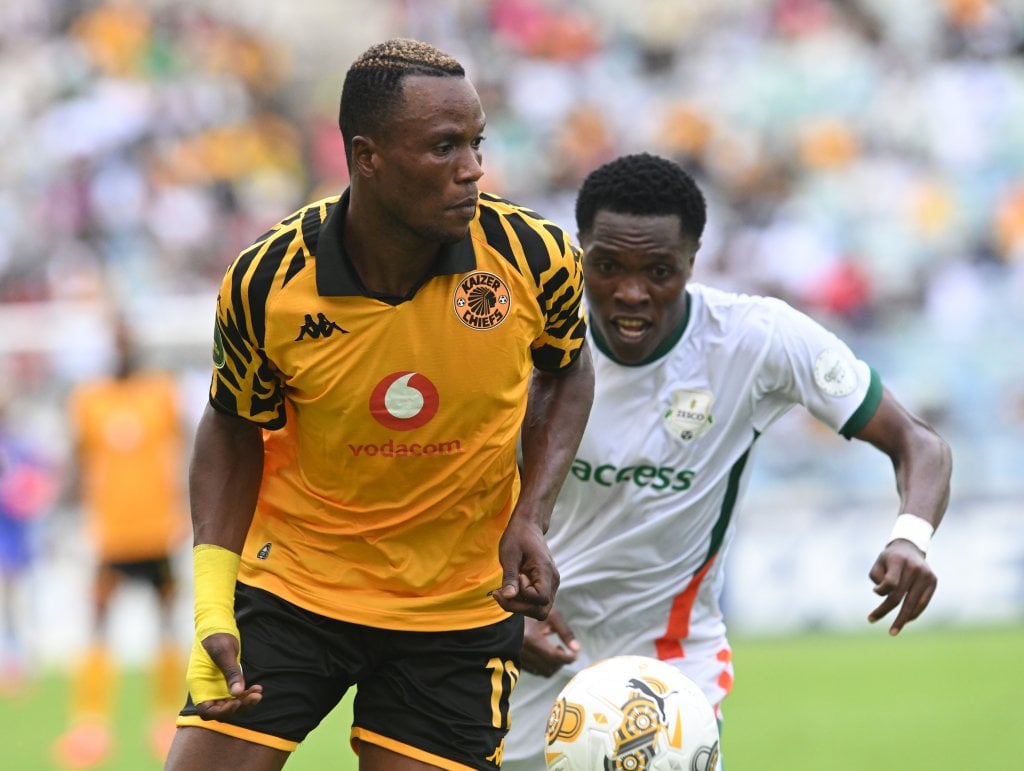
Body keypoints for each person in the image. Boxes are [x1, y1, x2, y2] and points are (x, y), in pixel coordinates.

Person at [163, 38, 594, 771]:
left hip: (454, 611)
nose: (473, 168)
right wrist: (212, 601)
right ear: (368, 157)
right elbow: (232, 424)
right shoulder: (268, 281)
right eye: (444, 146)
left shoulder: (535, 257)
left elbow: (567, 368)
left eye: (476, 143)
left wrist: (531, 514)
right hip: (297, 585)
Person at [501, 152, 952, 770]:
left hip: (671, 662)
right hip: (527, 643)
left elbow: (918, 442)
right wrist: (493, 616)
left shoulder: (754, 340)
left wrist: (911, 536)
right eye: (606, 267)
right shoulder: (528, 343)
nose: (630, 293)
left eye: (659, 270)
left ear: (694, 258)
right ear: (580, 251)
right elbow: (450, 489)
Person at [56, 315, 189, 768]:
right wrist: (68, 515)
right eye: (113, 344)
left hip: (157, 531)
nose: (120, 351)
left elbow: (187, 451)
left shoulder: (161, 393)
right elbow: (77, 464)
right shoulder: (88, 400)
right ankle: (90, 726)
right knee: (97, 623)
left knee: (167, 624)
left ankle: (165, 719)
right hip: (110, 536)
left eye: (125, 342)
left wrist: (187, 510)